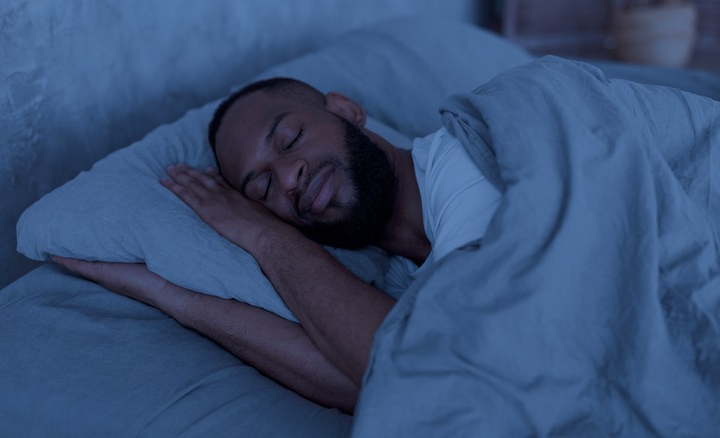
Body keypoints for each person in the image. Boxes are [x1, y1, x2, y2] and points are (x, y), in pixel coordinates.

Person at [52, 78, 501, 413]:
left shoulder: (465, 162)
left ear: (346, 111)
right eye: (262, 189)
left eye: (290, 139)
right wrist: (167, 294)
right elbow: (363, 375)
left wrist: (266, 236)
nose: (288, 179)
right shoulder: (403, 277)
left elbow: (425, 369)